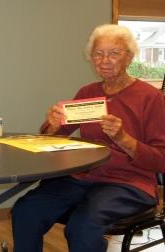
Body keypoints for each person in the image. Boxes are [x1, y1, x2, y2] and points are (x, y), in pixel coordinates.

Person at [11, 24, 165, 252]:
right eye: (98, 54)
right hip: (81, 178)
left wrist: (123, 138)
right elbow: (51, 138)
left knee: (82, 227)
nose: (104, 60)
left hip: (128, 183)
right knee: (26, 210)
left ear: (129, 57)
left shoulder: (150, 98)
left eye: (113, 53)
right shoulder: (87, 93)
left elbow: (160, 159)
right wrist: (53, 125)